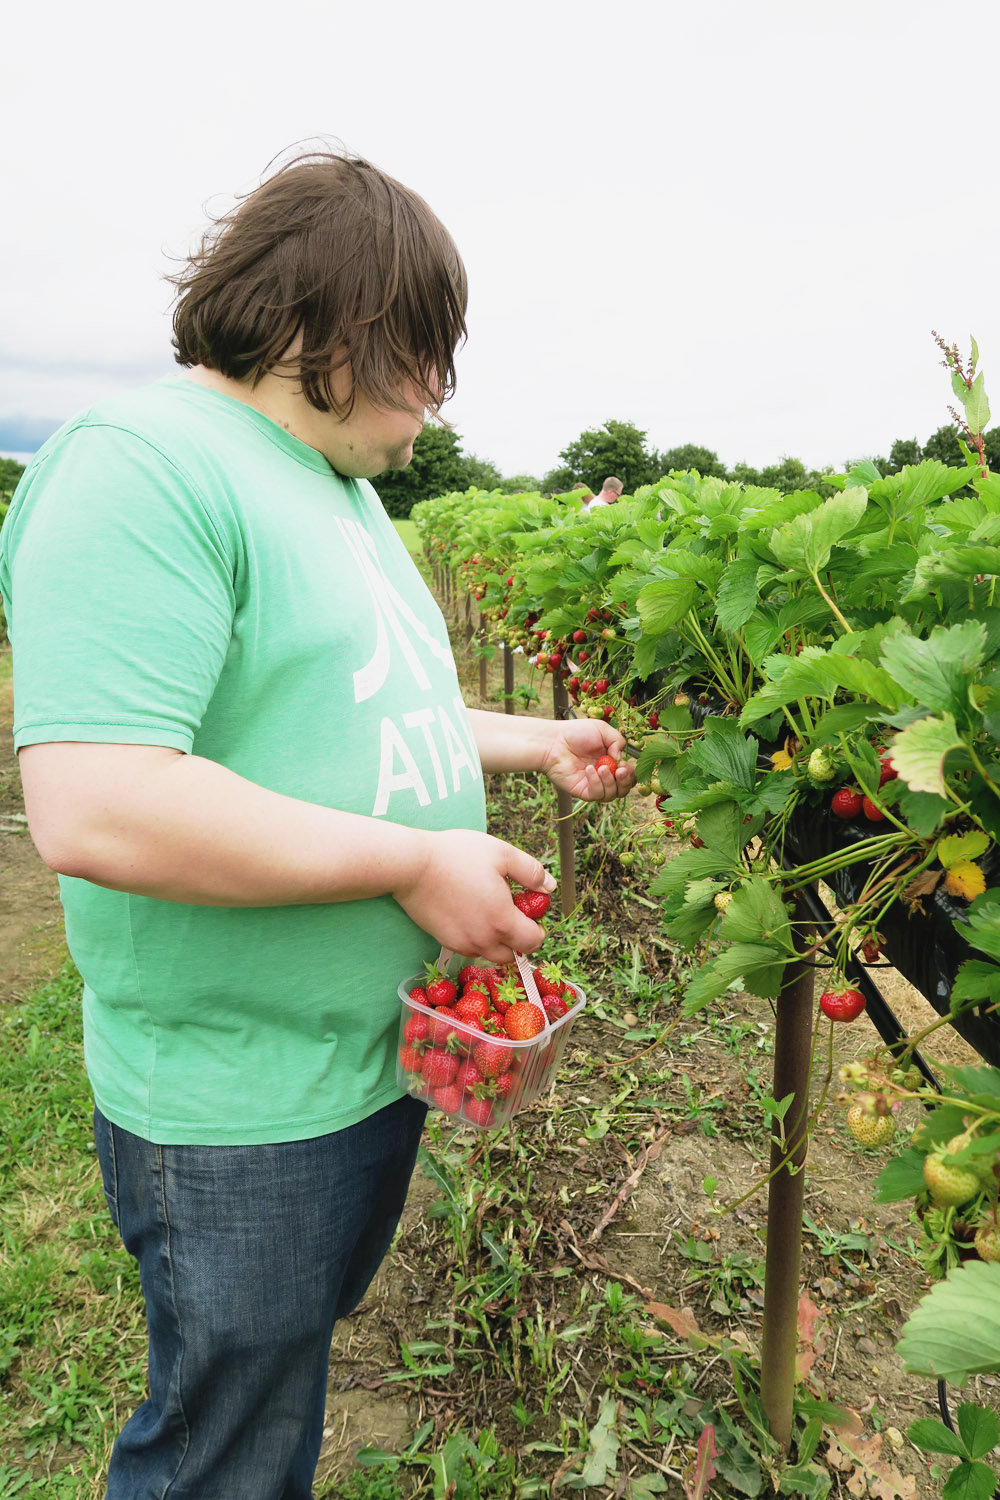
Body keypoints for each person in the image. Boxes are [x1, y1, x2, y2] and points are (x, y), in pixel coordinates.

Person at [0, 148, 635, 1499]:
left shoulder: (336, 491)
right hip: (240, 1105)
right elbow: (96, 801)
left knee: (275, 1390)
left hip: (363, 1068)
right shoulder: (145, 470)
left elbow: (359, 718)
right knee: (224, 1452)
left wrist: (531, 741)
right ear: (332, 333)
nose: (436, 400)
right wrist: (415, 861)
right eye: (423, 357)